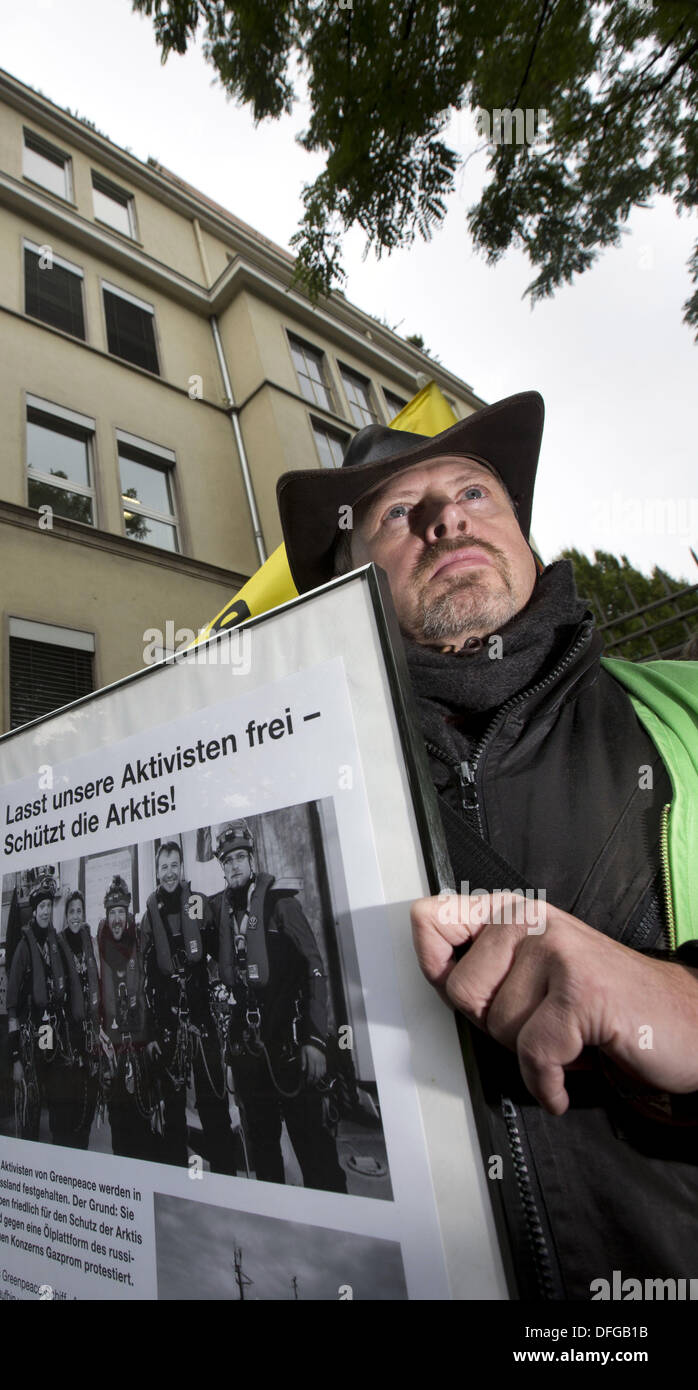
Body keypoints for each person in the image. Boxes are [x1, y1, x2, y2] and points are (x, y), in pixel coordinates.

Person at [276, 389, 698, 1297]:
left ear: (523, 533)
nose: (443, 518)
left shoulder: (688, 713)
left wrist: (676, 1004)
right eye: (394, 513)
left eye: (475, 493)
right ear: (351, 582)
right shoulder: (297, 793)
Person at [209, 822, 346, 1192]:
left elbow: (315, 968)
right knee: (264, 1154)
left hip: (291, 1045)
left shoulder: (281, 904)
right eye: (228, 860)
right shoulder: (219, 911)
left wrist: (316, 1041)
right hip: (250, 1053)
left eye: (240, 857)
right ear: (221, 867)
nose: (235, 866)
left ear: (251, 860)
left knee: (316, 1154)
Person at [141, 841, 235, 1174]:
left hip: (199, 1014)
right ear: (156, 871)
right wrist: (150, 1030)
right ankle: (178, 1177)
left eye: (174, 865)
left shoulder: (196, 903)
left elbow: (216, 949)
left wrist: (224, 991)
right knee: (174, 1106)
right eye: (163, 866)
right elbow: (144, 980)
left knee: (213, 1101)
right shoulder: (149, 917)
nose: (169, 872)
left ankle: (226, 1175)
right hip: (168, 1020)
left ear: (181, 868)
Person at [6, 869, 72, 1143]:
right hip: (30, 1036)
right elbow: (11, 1006)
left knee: (56, 1098)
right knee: (30, 1107)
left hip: (53, 1034)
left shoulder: (55, 942)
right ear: (34, 911)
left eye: (48, 906)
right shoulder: (24, 947)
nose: (45, 911)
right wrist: (15, 1058)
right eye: (41, 907)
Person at [96, 875, 152, 1161]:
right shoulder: (99, 946)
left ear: (127, 914)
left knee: (143, 1126)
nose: (116, 919)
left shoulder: (140, 942)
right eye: (112, 912)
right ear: (106, 915)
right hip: (113, 1052)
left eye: (121, 912)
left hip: (140, 1048)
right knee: (120, 1130)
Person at [53, 888, 101, 1149]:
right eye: (71, 911)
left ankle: (82, 1147)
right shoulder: (58, 946)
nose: (75, 916)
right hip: (67, 1037)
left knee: (88, 1101)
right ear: (65, 915)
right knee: (67, 1108)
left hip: (89, 1034)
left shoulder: (88, 942)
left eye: (79, 911)